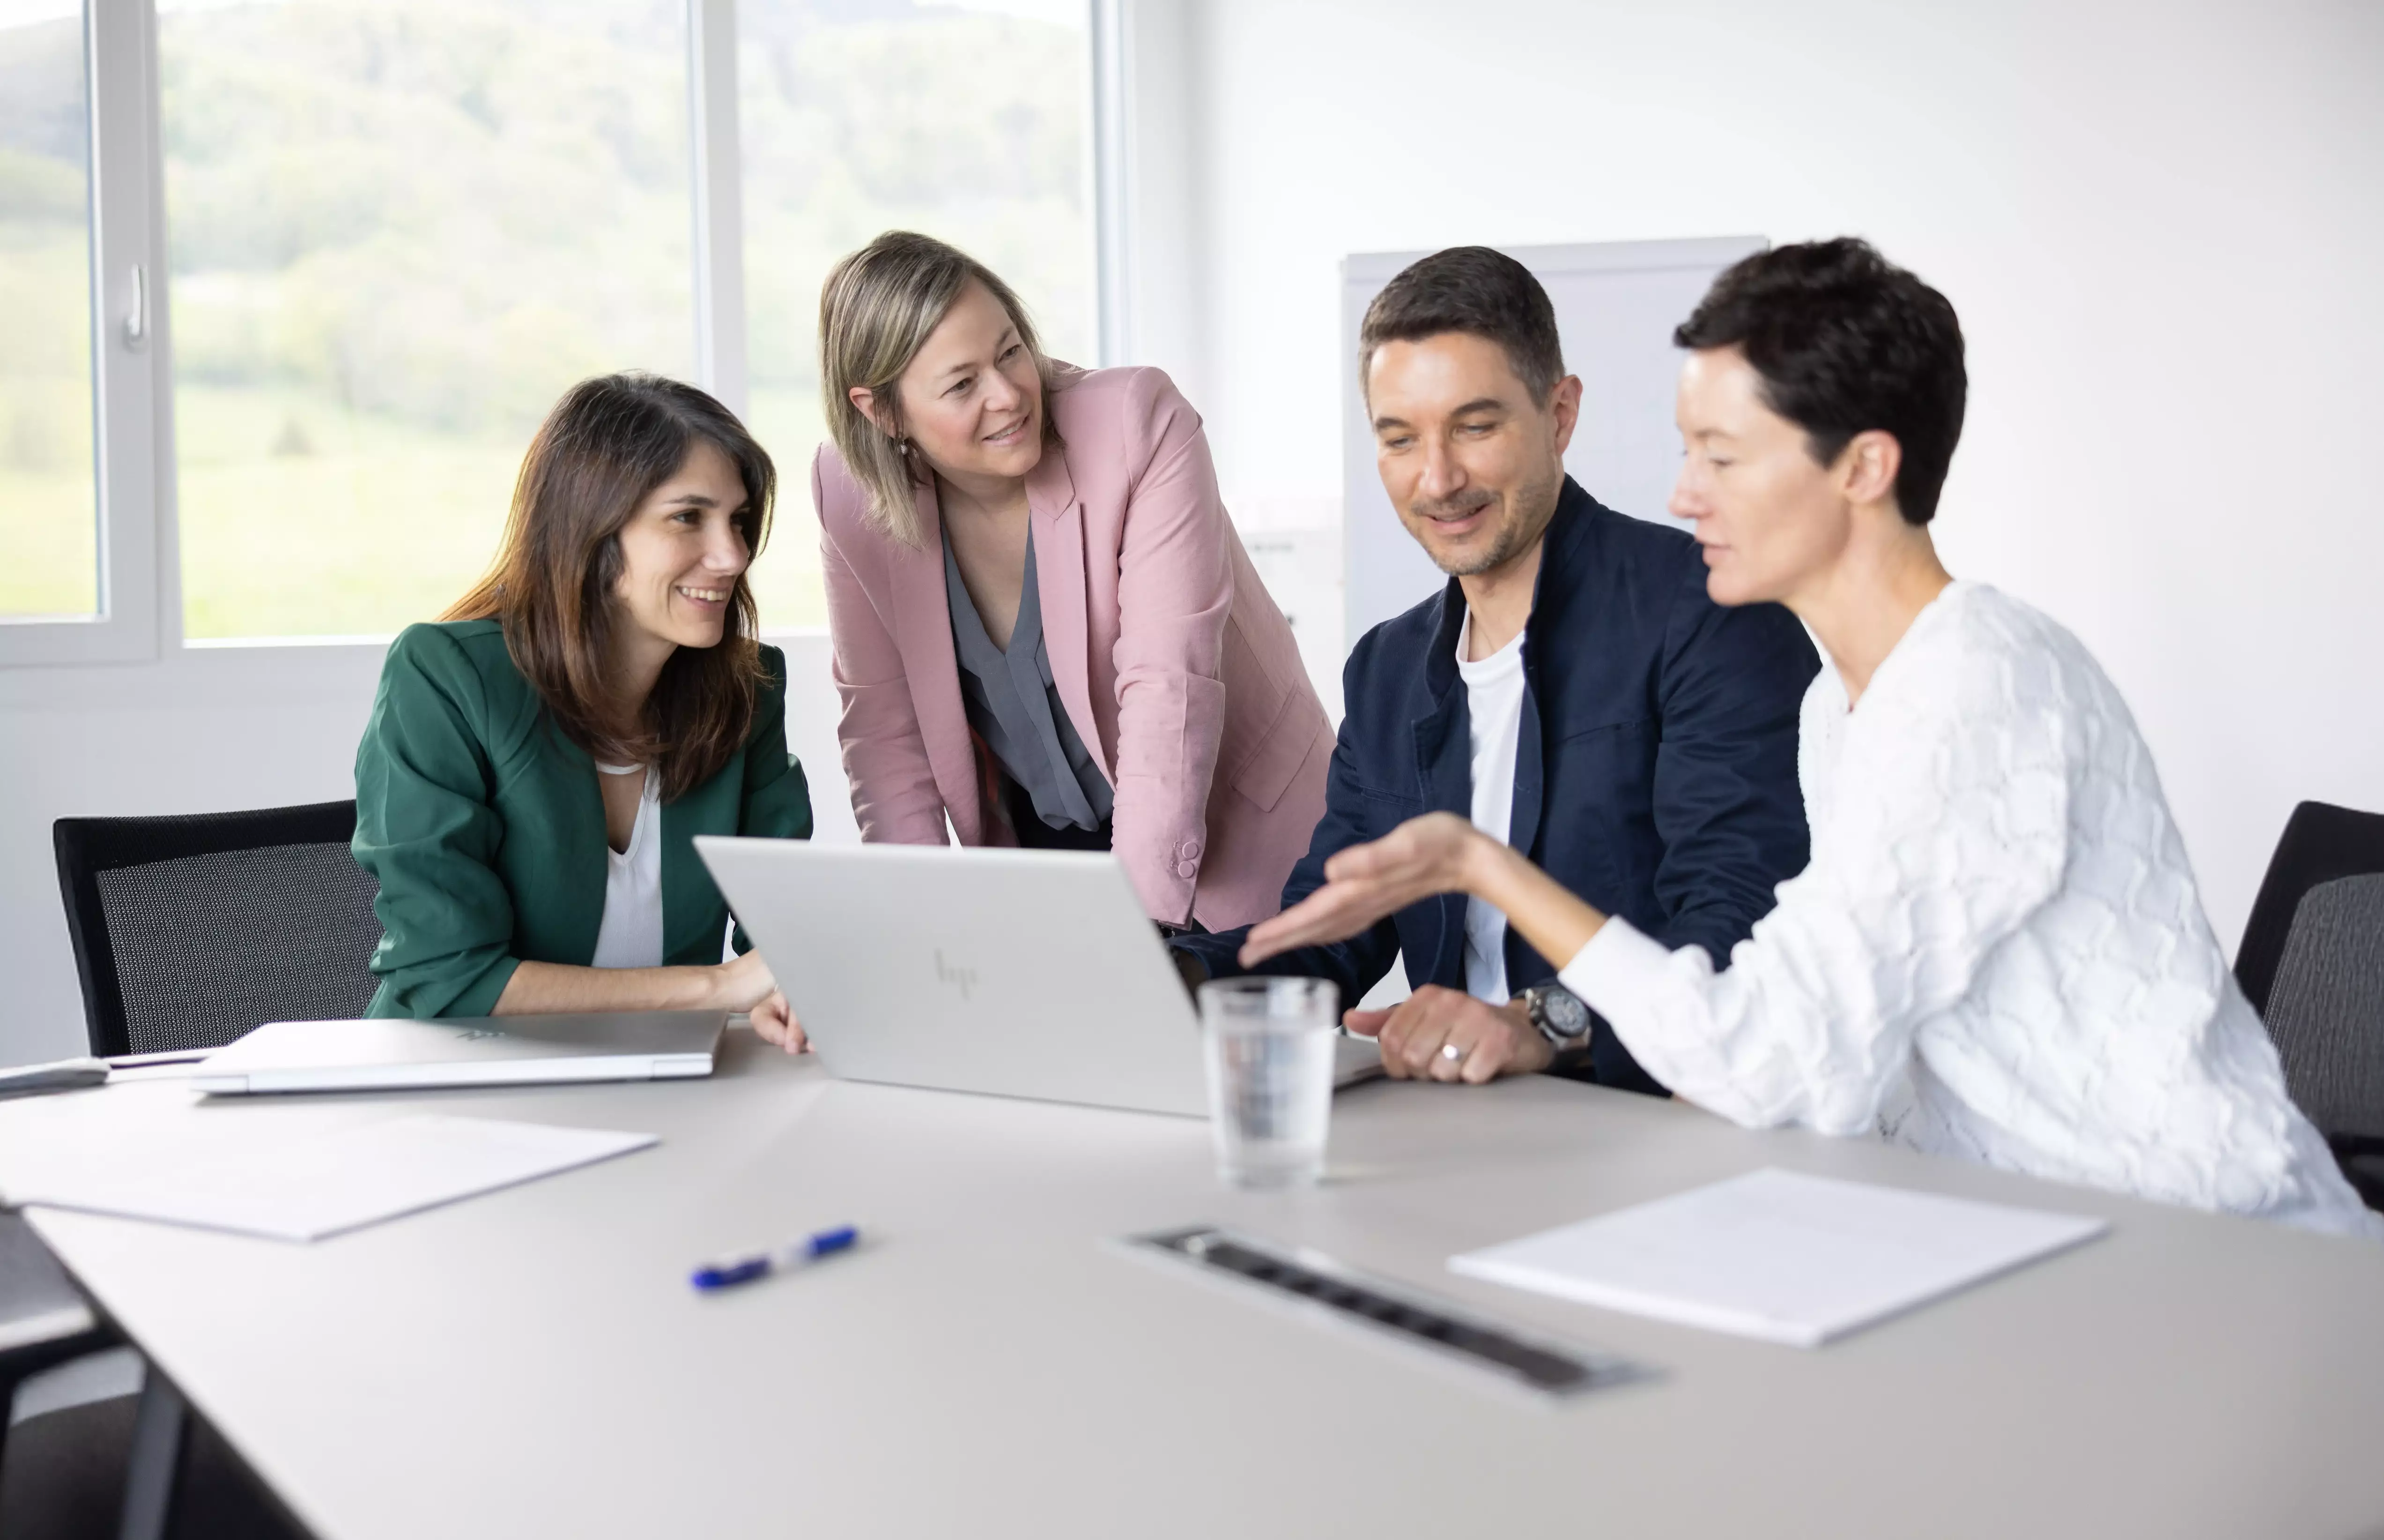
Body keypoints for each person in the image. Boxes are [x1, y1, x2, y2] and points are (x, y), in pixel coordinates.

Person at [1242, 239, 2381, 1236]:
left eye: (1723, 457)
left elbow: (1776, 1065)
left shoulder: (1980, 682)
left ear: (1863, 467)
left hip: (2198, 1245)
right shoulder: (1846, 702)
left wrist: (1482, 868)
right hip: (2003, 1227)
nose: (1685, 496)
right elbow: (1775, 1033)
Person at [1173, 246, 1819, 1096]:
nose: (1437, 479)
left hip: (1646, 1121)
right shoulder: (1388, 667)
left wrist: (1538, 1023)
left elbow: (1741, 929)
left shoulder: (1706, 611)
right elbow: (1330, 934)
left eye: (1474, 427)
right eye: (1399, 438)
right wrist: (1162, 977)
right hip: (1456, 1125)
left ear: (1559, 415)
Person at [813, 231, 1331, 932]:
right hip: (1046, 849)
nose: (1007, 395)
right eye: (963, 384)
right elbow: (883, 732)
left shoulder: (1133, 423)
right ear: (882, 412)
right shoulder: (849, 494)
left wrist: (1133, 935)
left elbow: (1166, 689)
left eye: (1010, 351)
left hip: (1232, 829)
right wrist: (919, 932)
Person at [353, 373, 812, 1050]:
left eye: (738, 521)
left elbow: (782, 929)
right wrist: (716, 990)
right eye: (688, 517)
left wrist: (792, 988)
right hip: (451, 1089)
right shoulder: (445, 676)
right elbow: (448, 978)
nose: (733, 555)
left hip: (665, 1082)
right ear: (591, 529)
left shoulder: (747, 688)